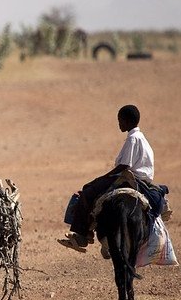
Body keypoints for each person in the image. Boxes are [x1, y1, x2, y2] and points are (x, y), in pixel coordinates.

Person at [58, 104, 156, 252]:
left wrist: (105, 176)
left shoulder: (132, 139)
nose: (119, 124)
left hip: (129, 178)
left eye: (120, 121)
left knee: (87, 191)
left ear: (127, 121)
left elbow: (125, 165)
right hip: (143, 181)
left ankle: (81, 235)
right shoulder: (142, 138)